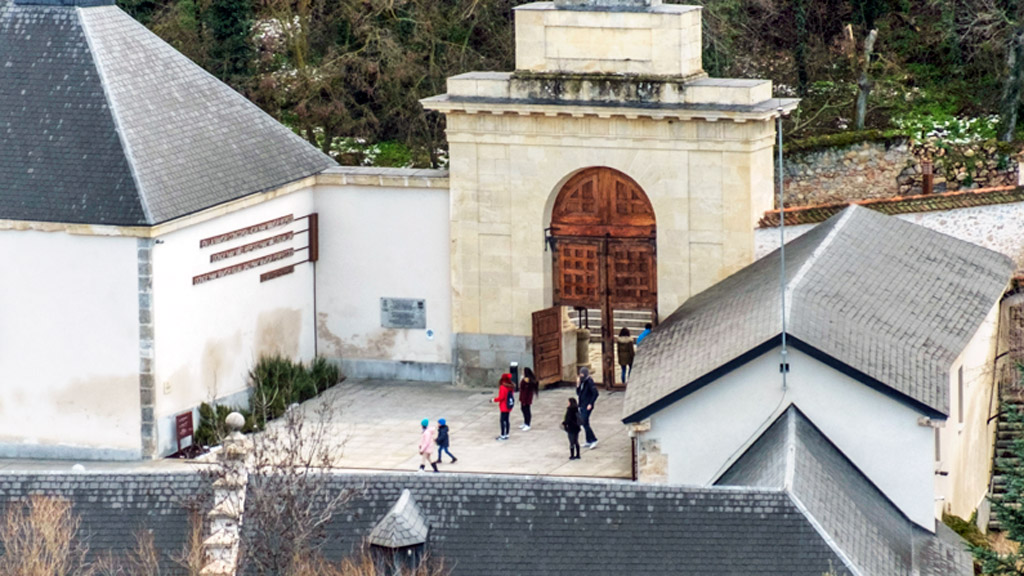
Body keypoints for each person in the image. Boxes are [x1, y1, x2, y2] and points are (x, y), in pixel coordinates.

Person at [576, 367, 599, 449]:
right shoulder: (582, 382)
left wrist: (591, 403)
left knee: (584, 421)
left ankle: (593, 439)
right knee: (585, 423)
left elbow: (595, 393)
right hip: (582, 404)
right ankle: (588, 440)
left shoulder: (589, 382)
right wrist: (578, 385)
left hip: (587, 405)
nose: (581, 376)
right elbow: (578, 393)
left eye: (582, 374)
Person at [491, 373, 514, 440]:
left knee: (502, 421)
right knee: (507, 420)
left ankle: (502, 434)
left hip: (504, 406)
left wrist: (493, 400)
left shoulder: (502, 387)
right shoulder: (511, 386)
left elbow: (501, 397)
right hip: (509, 405)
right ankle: (507, 434)